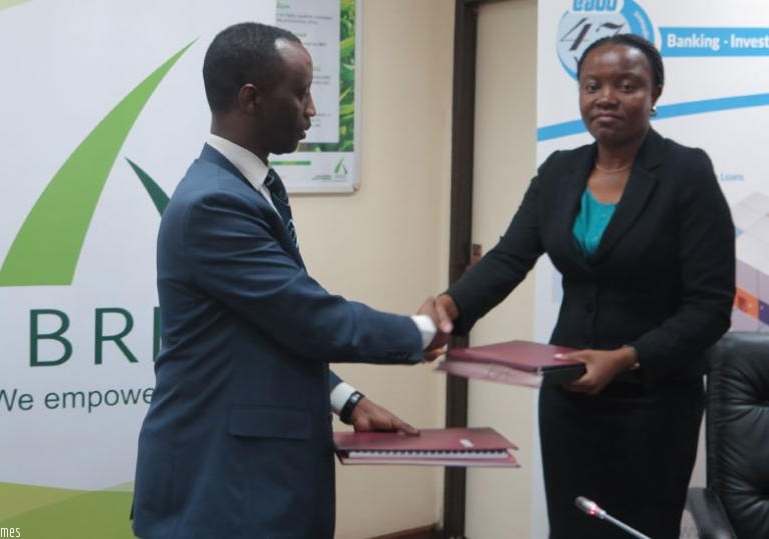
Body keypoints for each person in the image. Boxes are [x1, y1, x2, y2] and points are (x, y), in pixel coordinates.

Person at [131, 22, 449, 538]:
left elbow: (268, 328)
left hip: (250, 478)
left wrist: (347, 400)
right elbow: (309, 317)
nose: (312, 110)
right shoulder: (214, 204)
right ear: (251, 98)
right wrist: (422, 331)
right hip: (223, 487)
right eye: (300, 93)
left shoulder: (251, 187)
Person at [434, 34, 734, 538]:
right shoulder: (559, 171)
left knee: (638, 528)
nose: (606, 97)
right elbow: (508, 258)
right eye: (592, 86)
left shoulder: (686, 172)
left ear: (655, 94)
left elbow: (711, 306)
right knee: (572, 528)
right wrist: (449, 306)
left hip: (654, 400)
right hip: (568, 396)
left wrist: (627, 357)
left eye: (626, 85)